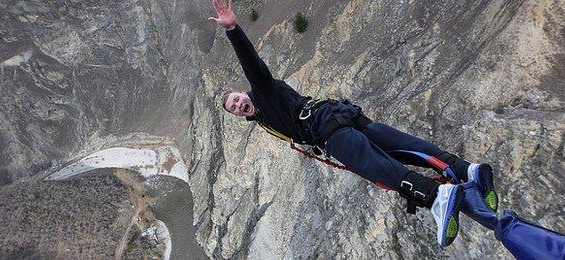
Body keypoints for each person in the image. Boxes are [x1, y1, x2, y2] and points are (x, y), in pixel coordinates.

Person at [208, 0, 497, 247]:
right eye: (234, 108)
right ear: (238, 116)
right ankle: (469, 171)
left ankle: (438, 196)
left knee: (378, 169)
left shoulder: (263, 91)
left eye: (236, 99)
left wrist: (233, 30)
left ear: (244, 93)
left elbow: (252, 63)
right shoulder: (261, 116)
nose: (237, 105)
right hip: (340, 115)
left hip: (326, 128)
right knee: (403, 147)